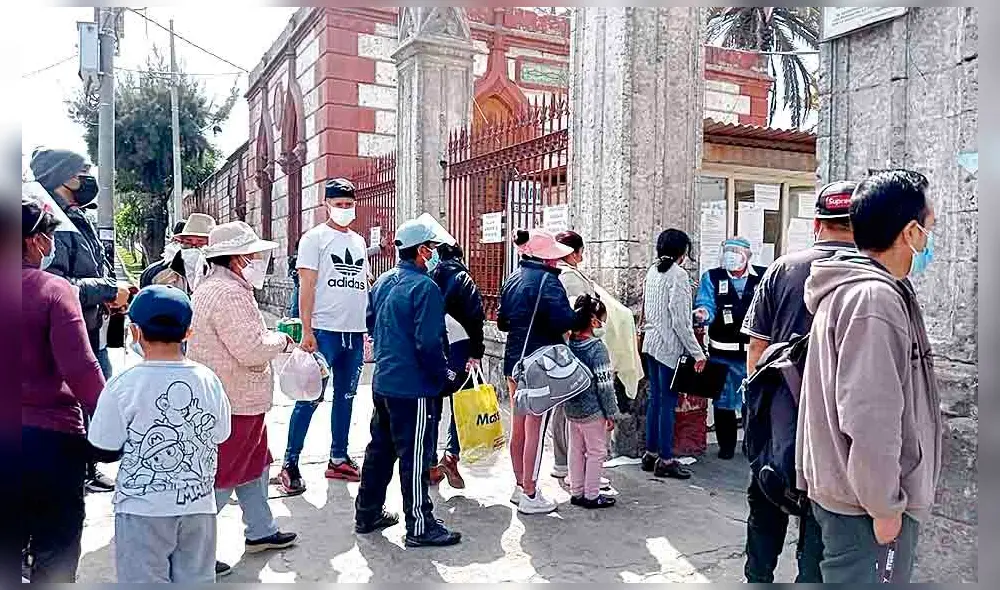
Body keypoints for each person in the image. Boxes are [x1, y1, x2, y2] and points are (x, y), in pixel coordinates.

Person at [797, 169, 940, 583]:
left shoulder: (857, 289)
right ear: (910, 232)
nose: (929, 240)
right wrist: (885, 508)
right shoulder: (873, 299)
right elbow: (871, 418)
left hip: (847, 495)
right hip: (865, 508)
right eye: (929, 228)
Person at [739, 180, 857, 583]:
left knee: (766, 514)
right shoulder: (873, 276)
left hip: (780, 421)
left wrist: (758, 411)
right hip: (839, 430)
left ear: (817, 224)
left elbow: (755, 351)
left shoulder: (784, 269)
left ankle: (757, 579)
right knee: (820, 531)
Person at [87, 286, 232, 583]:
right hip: (198, 507)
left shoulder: (123, 385)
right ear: (188, 333)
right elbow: (221, 433)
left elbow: (104, 446)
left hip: (142, 510)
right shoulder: (209, 380)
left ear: (135, 331)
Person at [188, 221, 298, 576]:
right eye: (251, 255)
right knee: (225, 476)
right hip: (235, 400)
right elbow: (250, 349)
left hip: (228, 396)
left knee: (256, 465)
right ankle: (190, 551)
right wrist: (282, 340)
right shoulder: (231, 293)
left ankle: (261, 530)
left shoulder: (211, 286)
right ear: (236, 259)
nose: (256, 261)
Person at [355, 213, 462, 547]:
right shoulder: (425, 288)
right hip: (413, 388)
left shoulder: (384, 281)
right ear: (422, 252)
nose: (433, 254)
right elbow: (428, 344)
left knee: (380, 451)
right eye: (430, 248)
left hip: (384, 381)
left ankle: (367, 512)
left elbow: (371, 323)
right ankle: (420, 524)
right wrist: (445, 376)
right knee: (415, 458)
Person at [29, 148, 131, 492]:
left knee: (96, 398)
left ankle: (87, 466)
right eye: (83, 171)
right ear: (65, 176)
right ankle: (78, 470)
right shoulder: (49, 225)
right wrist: (105, 290)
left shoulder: (76, 217)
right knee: (83, 398)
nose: (88, 178)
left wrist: (111, 298)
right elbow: (53, 284)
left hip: (91, 326)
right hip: (70, 331)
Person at [277, 178, 388, 494]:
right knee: (309, 397)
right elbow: (307, 286)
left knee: (347, 398)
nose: (344, 210)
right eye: (338, 204)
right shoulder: (314, 239)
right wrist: (306, 330)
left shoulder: (357, 241)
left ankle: (338, 458)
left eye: (349, 205)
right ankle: (290, 463)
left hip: (353, 335)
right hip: (323, 333)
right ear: (326, 204)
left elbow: (364, 284)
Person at [21, 197, 106, 582]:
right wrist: (110, 431)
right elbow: (83, 370)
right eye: (49, 236)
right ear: (33, 241)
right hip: (49, 443)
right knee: (55, 553)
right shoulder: (52, 290)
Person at [552, 230, 644, 486]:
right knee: (590, 443)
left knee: (565, 414)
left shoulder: (553, 275)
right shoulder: (570, 278)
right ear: (574, 253)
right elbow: (604, 387)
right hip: (573, 352)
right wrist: (611, 413)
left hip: (561, 350)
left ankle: (568, 470)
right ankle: (585, 484)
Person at [498, 229, 576, 515]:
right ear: (545, 257)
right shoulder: (549, 282)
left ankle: (520, 486)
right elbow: (564, 320)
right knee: (535, 430)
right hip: (539, 365)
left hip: (514, 363)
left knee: (518, 428)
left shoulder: (512, 278)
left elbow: (503, 322)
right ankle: (531, 492)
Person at [692, 237, 767, 459]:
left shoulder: (762, 277)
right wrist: (703, 314)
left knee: (751, 402)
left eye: (736, 252)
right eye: (727, 251)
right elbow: (706, 303)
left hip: (753, 355)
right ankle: (726, 447)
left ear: (748, 256)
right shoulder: (713, 277)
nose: (731, 256)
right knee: (723, 402)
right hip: (722, 354)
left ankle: (751, 446)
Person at [640, 229, 706, 480]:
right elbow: (680, 323)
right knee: (667, 403)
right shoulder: (678, 276)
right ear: (682, 252)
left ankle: (651, 453)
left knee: (656, 401)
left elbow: (651, 310)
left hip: (651, 343)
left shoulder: (651, 271)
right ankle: (666, 459)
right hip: (668, 347)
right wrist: (697, 353)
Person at [427, 242, 485, 490]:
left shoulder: (428, 278)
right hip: (460, 350)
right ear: (460, 256)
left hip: (434, 350)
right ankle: (451, 455)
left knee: (432, 406)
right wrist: (476, 351)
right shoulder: (464, 278)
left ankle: (429, 464)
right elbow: (475, 316)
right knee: (463, 404)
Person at [564, 294, 619, 509]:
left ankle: (577, 492)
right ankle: (592, 495)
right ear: (594, 321)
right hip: (593, 411)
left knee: (575, 451)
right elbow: (605, 386)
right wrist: (611, 413)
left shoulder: (569, 343)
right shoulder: (597, 349)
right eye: (602, 320)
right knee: (596, 453)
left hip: (571, 408)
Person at [139, 214, 215, 293]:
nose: (194, 246)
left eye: (200, 242)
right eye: (188, 241)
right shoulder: (156, 274)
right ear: (180, 242)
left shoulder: (222, 274)